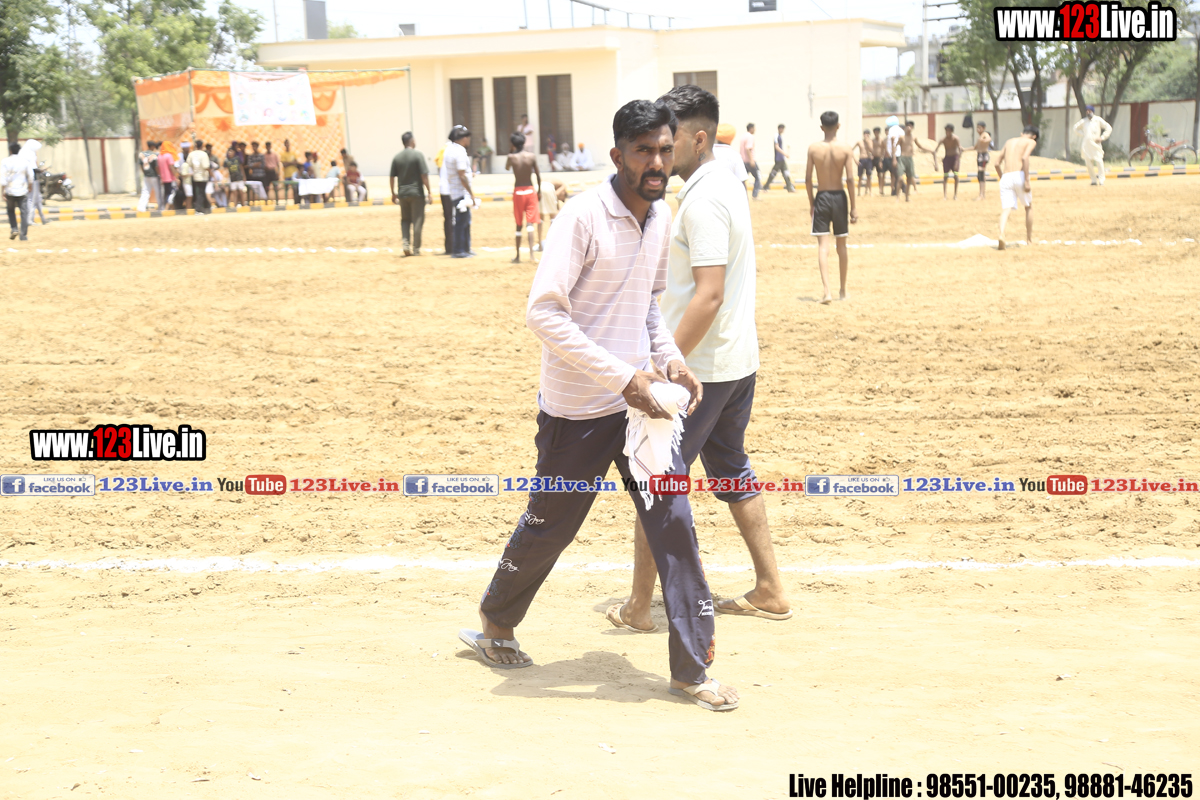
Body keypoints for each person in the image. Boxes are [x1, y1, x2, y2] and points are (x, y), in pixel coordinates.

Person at [462, 98, 737, 713]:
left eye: (664, 149)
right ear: (618, 155)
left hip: (639, 411)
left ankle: (692, 669)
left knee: (675, 526)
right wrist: (622, 377)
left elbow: (648, 306)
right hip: (577, 410)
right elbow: (543, 313)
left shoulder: (661, 217)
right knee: (551, 525)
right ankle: (496, 622)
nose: (657, 162)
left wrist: (670, 360)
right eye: (643, 151)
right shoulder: (583, 217)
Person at [610, 84, 792, 643]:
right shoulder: (726, 182)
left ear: (699, 138)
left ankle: (640, 606)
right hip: (734, 361)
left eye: (671, 140)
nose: (662, 151)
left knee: (655, 478)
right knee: (731, 468)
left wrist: (666, 366)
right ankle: (770, 589)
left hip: (704, 370)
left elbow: (708, 295)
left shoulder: (705, 198)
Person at [806, 111, 859, 304]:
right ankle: (843, 291)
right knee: (841, 245)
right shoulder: (845, 149)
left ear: (822, 127)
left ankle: (827, 292)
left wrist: (812, 203)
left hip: (822, 196)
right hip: (839, 197)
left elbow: (807, 179)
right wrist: (853, 207)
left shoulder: (813, 149)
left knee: (823, 246)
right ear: (838, 126)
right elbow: (850, 179)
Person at [995, 125, 1039, 250]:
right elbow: (1025, 158)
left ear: (1022, 133)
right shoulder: (1031, 142)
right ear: (1034, 136)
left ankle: (1001, 234)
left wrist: (1002, 178)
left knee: (1006, 209)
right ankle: (1029, 240)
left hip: (1006, 176)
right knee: (1028, 206)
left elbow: (996, 163)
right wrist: (1027, 180)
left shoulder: (1009, 142)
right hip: (1019, 175)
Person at [390, 131, 431, 257]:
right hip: (417, 193)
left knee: (405, 220)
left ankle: (406, 244)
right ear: (412, 141)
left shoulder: (397, 157)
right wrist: (429, 191)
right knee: (417, 220)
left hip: (402, 194)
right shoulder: (418, 155)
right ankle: (416, 249)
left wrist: (393, 193)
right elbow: (424, 175)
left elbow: (392, 177)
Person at [506, 131, 541, 264]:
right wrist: (539, 191)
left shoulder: (511, 157)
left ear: (513, 144)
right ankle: (532, 255)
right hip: (530, 191)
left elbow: (507, 167)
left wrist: (511, 151)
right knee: (530, 224)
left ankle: (517, 256)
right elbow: (538, 175)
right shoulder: (531, 156)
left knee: (519, 224)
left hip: (518, 192)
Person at [444, 125, 476, 258]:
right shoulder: (459, 152)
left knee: (465, 220)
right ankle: (459, 250)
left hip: (455, 191)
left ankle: (465, 248)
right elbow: (462, 175)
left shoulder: (450, 150)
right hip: (461, 192)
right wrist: (472, 194)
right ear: (463, 138)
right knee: (461, 222)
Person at [1074, 105, 1112, 186]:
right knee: (1088, 164)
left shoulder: (1097, 120)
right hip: (1087, 146)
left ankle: (1101, 180)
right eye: (1087, 111)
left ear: (1092, 111)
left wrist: (1102, 137)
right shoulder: (1084, 121)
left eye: (1089, 111)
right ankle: (1093, 180)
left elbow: (1108, 127)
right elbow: (1075, 128)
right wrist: (1083, 134)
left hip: (1096, 145)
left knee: (1099, 162)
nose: (1088, 112)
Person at [3, 142, 33, 240]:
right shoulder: (25, 161)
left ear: (10, 150)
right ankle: (23, 235)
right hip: (22, 190)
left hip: (10, 191)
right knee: (24, 212)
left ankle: (14, 228)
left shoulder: (5, 161)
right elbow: (31, 176)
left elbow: (2, 178)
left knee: (11, 211)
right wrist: (30, 187)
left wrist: (2, 191)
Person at [931, 124, 963, 199]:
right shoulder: (943, 139)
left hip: (955, 158)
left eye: (949, 131)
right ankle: (945, 195)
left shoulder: (955, 139)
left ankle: (955, 195)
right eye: (946, 131)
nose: (947, 132)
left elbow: (960, 149)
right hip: (947, 158)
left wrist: (957, 161)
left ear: (952, 131)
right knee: (945, 177)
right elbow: (935, 151)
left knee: (956, 176)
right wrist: (936, 164)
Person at [763, 123, 795, 192]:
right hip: (779, 159)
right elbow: (776, 147)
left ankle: (790, 187)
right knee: (774, 173)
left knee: (785, 173)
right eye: (782, 128)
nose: (782, 130)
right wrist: (785, 154)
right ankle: (765, 187)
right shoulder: (776, 136)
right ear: (779, 129)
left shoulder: (779, 136)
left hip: (781, 158)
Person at [536, 176, 566, 250]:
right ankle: (551, 244)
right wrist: (558, 209)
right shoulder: (563, 186)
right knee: (553, 218)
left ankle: (540, 245)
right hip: (548, 189)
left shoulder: (553, 180)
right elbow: (556, 195)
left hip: (538, 187)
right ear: (564, 193)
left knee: (540, 219)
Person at [894, 121, 920, 202]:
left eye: (910, 126)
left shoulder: (914, 138)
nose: (909, 128)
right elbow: (895, 147)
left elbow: (920, 146)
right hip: (902, 158)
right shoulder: (901, 137)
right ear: (905, 128)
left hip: (910, 159)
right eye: (907, 126)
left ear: (912, 128)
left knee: (909, 179)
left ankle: (907, 198)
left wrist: (931, 151)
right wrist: (894, 159)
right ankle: (897, 197)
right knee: (900, 178)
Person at [436, 141, 453, 255]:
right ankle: (455, 246)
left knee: (448, 219)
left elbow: (438, 165)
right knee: (455, 219)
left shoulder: (443, 149)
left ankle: (449, 247)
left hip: (443, 188)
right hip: (452, 189)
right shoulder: (456, 149)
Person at [968, 121, 993, 201]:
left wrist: (983, 140)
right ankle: (981, 194)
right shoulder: (980, 137)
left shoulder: (985, 134)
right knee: (980, 175)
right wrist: (964, 149)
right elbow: (975, 147)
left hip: (983, 156)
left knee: (981, 173)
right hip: (979, 156)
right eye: (977, 128)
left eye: (979, 128)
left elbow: (989, 139)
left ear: (983, 128)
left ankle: (982, 195)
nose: (978, 129)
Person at [187, 139, 211, 214]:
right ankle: (198, 209)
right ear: (202, 146)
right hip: (203, 177)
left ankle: (207, 207)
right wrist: (211, 173)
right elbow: (205, 166)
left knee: (199, 193)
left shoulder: (191, 154)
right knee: (201, 193)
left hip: (195, 176)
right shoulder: (204, 154)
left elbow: (189, 164)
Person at [740, 123, 761, 199]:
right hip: (749, 161)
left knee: (742, 179)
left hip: (743, 161)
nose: (755, 130)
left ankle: (742, 195)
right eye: (754, 128)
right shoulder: (750, 137)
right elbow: (748, 148)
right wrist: (752, 160)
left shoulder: (743, 136)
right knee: (758, 177)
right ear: (751, 128)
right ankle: (755, 195)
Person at [138, 140, 160, 213]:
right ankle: (160, 207)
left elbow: (141, 166)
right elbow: (156, 166)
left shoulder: (142, 154)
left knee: (145, 191)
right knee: (158, 192)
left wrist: (144, 173)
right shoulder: (155, 154)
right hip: (154, 175)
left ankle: (141, 208)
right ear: (152, 146)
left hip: (146, 175)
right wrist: (159, 174)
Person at [884, 116, 903, 197]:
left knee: (896, 173)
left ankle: (900, 189)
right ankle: (898, 189)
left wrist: (894, 158)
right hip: (900, 154)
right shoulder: (901, 130)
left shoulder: (892, 130)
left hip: (895, 155)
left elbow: (893, 143)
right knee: (896, 173)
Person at [157, 142, 177, 210]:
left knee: (167, 193)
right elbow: (171, 167)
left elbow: (158, 168)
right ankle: (166, 208)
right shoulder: (169, 155)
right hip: (170, 178)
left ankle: (172, 209)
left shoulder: (159, 156)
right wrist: (176, 177)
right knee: (172, 193)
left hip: (164, 178)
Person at [855, 130, 874, 197]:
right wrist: (855, 160)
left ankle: (870, 192)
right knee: (860, 176)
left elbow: (872, 150)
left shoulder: (870, 142)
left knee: (869, 176)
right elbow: (851, 150)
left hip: (868, 159)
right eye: (865, 134)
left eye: (868, 134)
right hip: (861, 160)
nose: (866, 135)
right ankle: (858, 192)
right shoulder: (859, 142)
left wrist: (867, 143)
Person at [175, 141, 193, 210]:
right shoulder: (179, 156)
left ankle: (189, 207)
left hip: (190, 178)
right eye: (186, 147)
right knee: (181, 193)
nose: (187, 149)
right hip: (181, 177)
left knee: (190, 193)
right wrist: (179, 176)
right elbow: (176, 167)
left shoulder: (190, 155)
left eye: (188, 147)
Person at [872, 126, 887, 196]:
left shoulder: (882, 140)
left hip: (879, 158)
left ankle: (881, 189)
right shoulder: (872, 140)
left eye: (877, 132)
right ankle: (869, 190)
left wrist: (881, 159)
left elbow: (884, 149)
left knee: (880, 174)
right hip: (873, 158)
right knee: (869, 173)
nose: (876, 134)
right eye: (875, 132)